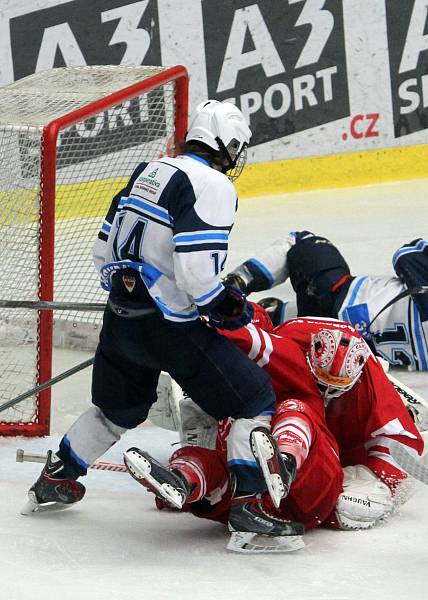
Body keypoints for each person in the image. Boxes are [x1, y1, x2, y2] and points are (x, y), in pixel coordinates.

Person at [23, 100, 300, 544]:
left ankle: (58, 477)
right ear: (227, 145)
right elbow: (195, 274)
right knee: (253, 397)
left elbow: (102, 250)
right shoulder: (210, 184)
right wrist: (224, 306)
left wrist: (134, 290)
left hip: (120, 317)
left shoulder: (146, 170)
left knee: (119, 408)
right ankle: (249, 511)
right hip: (169, 326)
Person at [123, 304, 425, 553]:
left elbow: (399, 440)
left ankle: (269, 467)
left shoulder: (281, 356)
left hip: (303, 489)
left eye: (336, 388)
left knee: (289, 413)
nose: (326, 393)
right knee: (221, 459)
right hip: (258, 505)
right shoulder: (283, 353)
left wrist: (378, 486)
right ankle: (184, 481)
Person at [222, 231, 428, 378]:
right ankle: (273, 316)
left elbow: (406, 254)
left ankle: (233, 288)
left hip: (331, 295)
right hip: (329, 346)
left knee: (300, 241)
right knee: (296, 321)